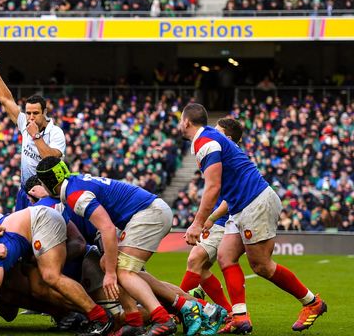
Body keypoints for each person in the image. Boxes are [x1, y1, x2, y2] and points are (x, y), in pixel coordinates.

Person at [180, 103, 327, 333]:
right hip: (242, 207)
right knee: (225, 257)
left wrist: (197, 223)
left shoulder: (205, 141)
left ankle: (312, 303)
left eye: (180, 120)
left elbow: (213, 187)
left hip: (254, 202)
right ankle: (239, 317)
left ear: (186, 121)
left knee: (262, 266)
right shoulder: (209, 139)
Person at [36, 156, 203, 336]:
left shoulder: (75, 195)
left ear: (48, 184)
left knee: (121, 271)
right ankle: (135, 320)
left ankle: (164, 318)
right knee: (113, 266)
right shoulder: (75, 181)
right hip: (148, 211)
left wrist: (109, 274)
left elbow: (107, 228)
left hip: (148, 213)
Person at [0, 205, 114, 336]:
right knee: (36, 286)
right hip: (30, 225)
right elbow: (8, 313)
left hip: (40, 221)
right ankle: (84, 314)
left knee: (51, 276)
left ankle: (100, 317)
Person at [0, 47, 66, 211]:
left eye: (35, 113)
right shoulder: (24, 123)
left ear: (44, 112)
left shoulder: (56, 132)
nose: (30, 117)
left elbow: (52, 161)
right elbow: (5, 99)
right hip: (25, 191)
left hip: (46, 194)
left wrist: (36, 137)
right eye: (28, 112)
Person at [180, 118, 244, 313]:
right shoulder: (227, 156)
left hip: (223, 222)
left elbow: (230, 197)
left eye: (217, 131)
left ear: (228, 137)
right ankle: (227, 313)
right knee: (202, 267)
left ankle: (174, 308)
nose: (212, 134)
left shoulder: (229, 158)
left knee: (195, 260)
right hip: (220, 221)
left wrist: (211, 218)